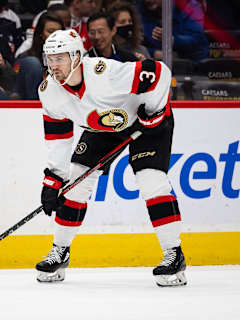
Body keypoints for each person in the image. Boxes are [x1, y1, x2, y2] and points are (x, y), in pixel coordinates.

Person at [36, 29, 187, 287]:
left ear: (76, 57)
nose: (53, 65)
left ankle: (174, 255)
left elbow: (159, 73)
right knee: (75, 184)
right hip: (102, 128)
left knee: (151, 180)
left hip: (144, 123)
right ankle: (60, 251)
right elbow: (58, 138)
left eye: (59, 58)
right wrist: (53, 179)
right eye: (49, 58)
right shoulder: (49, 91)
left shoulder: (103, 73)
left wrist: (154, 112)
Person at [137, 0, 208, 62]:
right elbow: (134, 45)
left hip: (190, 64)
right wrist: (154, 53)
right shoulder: (142, 8)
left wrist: (171, 39)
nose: (147, 1)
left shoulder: (190, 6)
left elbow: (196, 39)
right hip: (154, 64)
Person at [15, 13, 64, 99]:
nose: (55, 36)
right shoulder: (25, 57)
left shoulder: (69, 58)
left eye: (59, 33)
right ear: (40, 33)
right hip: (30, 106)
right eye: (51, 31)